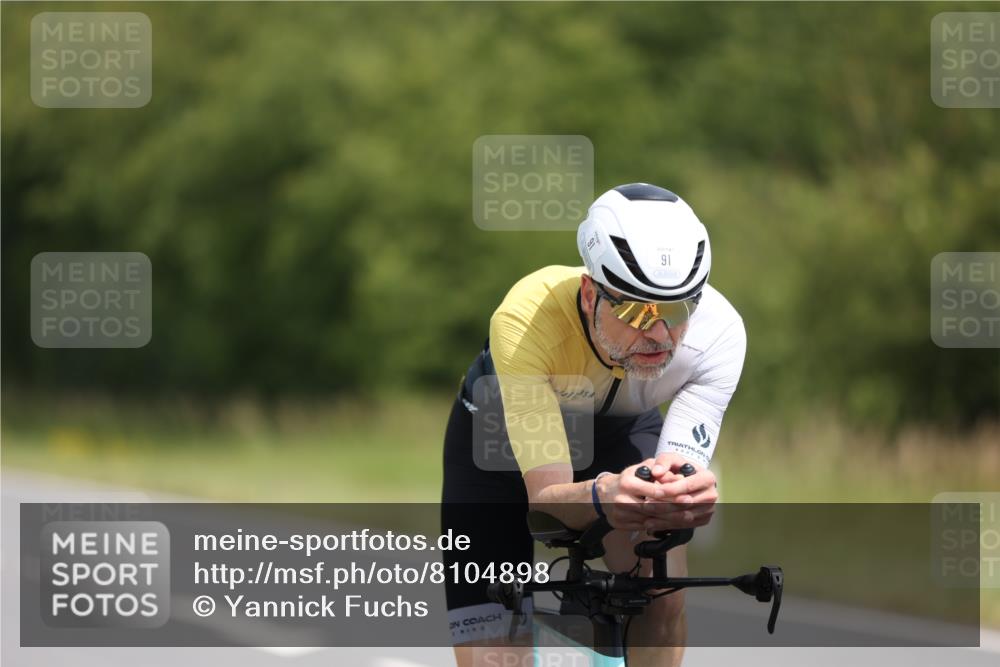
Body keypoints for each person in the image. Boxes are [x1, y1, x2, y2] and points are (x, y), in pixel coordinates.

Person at [441, 183, 747, 667]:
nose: (659, 334)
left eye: (676, 310)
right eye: (636, 310)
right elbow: (548, 496)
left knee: (661, 593)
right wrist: (606, 495)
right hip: (497, 434)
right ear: (589, 293)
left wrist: (680, 497)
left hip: (619, 431)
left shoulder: (720, 335)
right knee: (493, 648)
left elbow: (676, 473)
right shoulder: (527, 317)